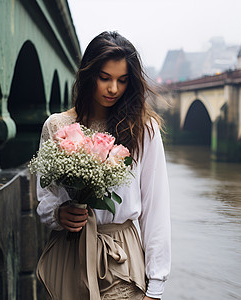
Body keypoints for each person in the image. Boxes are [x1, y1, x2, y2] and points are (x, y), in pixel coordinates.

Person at [35, 31, 171, 300]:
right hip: (68, 252)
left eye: (122, 80)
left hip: (120, 256)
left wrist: (156, 286)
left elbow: (156, 209)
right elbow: (44, 198)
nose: (113, 89)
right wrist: (58, 214)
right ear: (88, 76)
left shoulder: (144, 130)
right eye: (105, 78)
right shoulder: (57, 126)